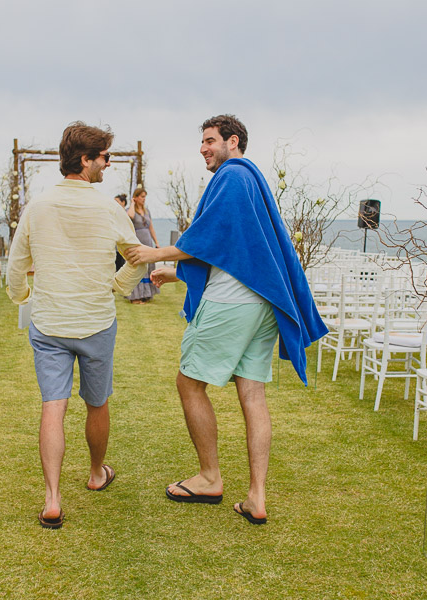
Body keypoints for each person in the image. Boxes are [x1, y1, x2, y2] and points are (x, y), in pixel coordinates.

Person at [125, 115, 327, 525]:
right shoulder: (250, 180)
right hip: (261, 302)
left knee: (189, 381)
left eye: (210, 140)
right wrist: (177, 273)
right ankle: (256, 497)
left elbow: (210, 237)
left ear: (233, 141)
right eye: (201, 141)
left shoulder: (233, 177)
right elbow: (236, 252)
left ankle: (209, 477)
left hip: (234, 303)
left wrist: (154, 255)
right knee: (252, 393)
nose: (203, 147)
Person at [7, 122, 146, 530]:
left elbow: (16, 266)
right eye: (104, 157)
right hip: (96, 321)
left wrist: (23, 299)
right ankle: (96, 472)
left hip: (49, 322)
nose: (108, 164)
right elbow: (138, 256)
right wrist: (117, 287)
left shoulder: (37, 206)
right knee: (97, 402)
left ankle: (52, 499)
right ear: (85, 160)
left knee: (53, 404)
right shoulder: (109, 208)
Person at [125, 187, 160, 304]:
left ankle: (146, 294)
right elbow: (130, 216)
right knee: (138, 267)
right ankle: (135, 296)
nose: (144, 199)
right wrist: (132, 203)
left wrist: (156, 242)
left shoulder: (147, 211)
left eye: (145, 197)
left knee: (148, 267)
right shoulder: (130, 210)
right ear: (136, 197)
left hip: (148, 241)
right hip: (137, 242)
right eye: (142, 196)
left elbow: (151, 227)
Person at [114, 194, 128, 271]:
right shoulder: (114, 213)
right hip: (115, 245)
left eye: (116, 201)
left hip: (122, 246)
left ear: (123, 202)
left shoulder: (126, 213)